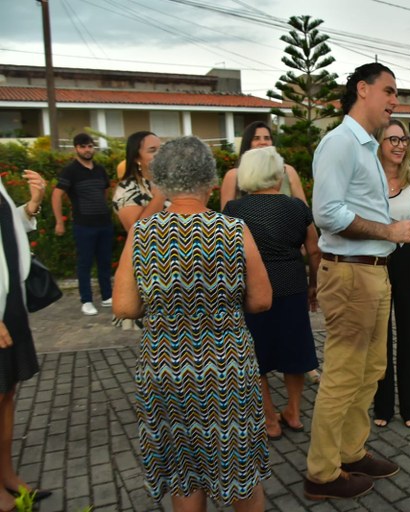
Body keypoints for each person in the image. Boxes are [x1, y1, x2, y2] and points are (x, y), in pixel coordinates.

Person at [112, 136, 273, 512]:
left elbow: (124, 306)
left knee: (185, 476)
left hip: (167, 371)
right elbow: (261, 300)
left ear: (160, 182)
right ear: (211, 181)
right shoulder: (234, 230)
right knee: (240, 474)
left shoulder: (143, 232)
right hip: (226, 370)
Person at [303, 62, 410, 501]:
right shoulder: (340, 143)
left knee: (371, 369)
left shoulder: (365, 146)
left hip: (373, 271)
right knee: (342, 375)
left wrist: (394, 227)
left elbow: (356, 210)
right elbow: (328, 213)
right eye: (389, 91)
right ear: (363, 90)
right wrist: (389, 230)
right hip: (351, 274)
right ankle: (321, 472)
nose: (394, 100)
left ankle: (350, 450)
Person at [223, 146, 320, 441]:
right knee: (295, 351)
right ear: (277, 173)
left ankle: (269, 420)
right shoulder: (297, 208)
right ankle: (293, 411)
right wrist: (314, 284)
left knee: (256, 356)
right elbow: (314, 251)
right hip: (292, 286)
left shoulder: (233, 210)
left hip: (252, 292)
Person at [372, 119, 410, 429]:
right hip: (379, 259)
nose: (399, 145)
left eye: (403, 139)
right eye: (391, 139)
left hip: (409, 259)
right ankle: (382, 406)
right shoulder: (369, 179)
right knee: (380, 336)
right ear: (378, 144)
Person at [0, 169, 52, 510]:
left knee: (7, 392)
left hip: (9, 299)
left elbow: (6, 233)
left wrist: (31, 206)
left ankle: (7, 475)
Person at [52, 133, 114, 316]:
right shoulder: (70, 171)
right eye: (83, 147)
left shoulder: (100, 169)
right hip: (83, 225)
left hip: (104, 223)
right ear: (76, 149)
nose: (87, 150)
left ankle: (106, 296)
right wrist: (59, 222)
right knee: (84, 263)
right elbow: (56, 195)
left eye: (89, 146)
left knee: (104, 262)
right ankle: (86, 300)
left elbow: (105, 192)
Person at [111, 131, 164, 330]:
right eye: (152, 150)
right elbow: (137, 231)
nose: (160, 154)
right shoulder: (127, 189)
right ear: (136, 157)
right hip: (147, 272)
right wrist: (159, 197)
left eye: (161, 149)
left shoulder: (173, 181)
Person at [219, 121, 306, 208]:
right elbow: (226, 217)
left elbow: (304, 210)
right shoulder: (233, 175)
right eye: (256, 138)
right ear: (248, 142)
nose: (263, 142)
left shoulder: (288, 171)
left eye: (267, 138)